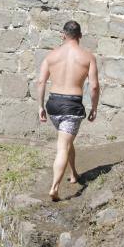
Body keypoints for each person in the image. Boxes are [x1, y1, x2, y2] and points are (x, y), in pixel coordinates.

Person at [37, 21, 99, 201]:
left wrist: (40, 106)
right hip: (71, 106)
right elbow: (94, 86)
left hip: (53, 105)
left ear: (63, 35)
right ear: (80, 36)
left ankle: (73, 174)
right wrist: (94, 107)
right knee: (63, 146)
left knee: (66, 141)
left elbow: (41, 82)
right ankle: (54, 187)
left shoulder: (51, 56)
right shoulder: (87, 57)